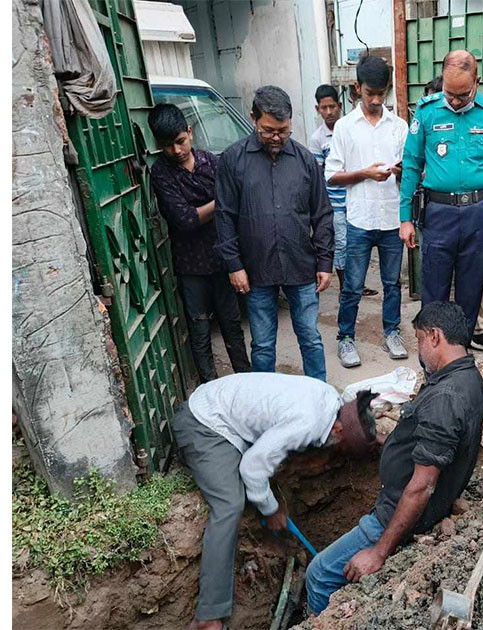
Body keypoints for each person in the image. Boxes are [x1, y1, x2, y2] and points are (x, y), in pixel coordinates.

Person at [305, 302, 483, 616]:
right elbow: (431, 446)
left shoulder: (446, 398)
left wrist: (378, 552)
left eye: (417, 339)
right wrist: (383, 441)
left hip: (394, 517)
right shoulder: (467, 378)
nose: (418, 349)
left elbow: (422, 486)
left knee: (319, 574)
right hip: (410, 504)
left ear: (434, 336)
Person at [171, 372, 378, 630]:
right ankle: (208, 617)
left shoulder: (329, 400)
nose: (338, 450)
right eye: (343, 446)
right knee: (229, 505)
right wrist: (272, 509)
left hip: (226, 415)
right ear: (337, 429)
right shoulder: (307, 423)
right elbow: (252, 469)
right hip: (205, 425)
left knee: (255, 486)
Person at [214, 86, 334, 381]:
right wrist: (234, 266)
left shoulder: (305, 160)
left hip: (301, 265)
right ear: (253, 118)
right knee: (263, 344)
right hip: (255, 270)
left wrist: (325, 263)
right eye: (269, 131)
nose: (277, 137)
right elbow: (224, 216)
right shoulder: (233, 160)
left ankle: (319, 395)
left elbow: (322, 213)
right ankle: (265, 399)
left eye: (284, 130)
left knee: (310, 338)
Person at [398, 50, 483, 348]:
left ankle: (460, 351)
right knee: (434, 287)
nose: (455, 101)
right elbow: (410, 164)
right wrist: (405, 218)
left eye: (462, 95)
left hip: (478, 213)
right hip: (439, 214)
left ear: (477, 82)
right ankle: (432, 351)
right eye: (449, 93)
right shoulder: (426, 111)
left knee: (471, 287)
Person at [147, 103, 252, 382]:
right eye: (167, 146)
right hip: (190, 264)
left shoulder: (212, 163)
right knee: (200, 328)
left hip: (222, 258)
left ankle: (246, 380)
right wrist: (221, 204)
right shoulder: (161, 173)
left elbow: (234, 208)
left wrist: (213, 210)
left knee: (232, 324)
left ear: (190, 132)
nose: (176, 151)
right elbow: (186, 220)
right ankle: (210, 387)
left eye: (180, 141)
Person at [326, 56, 410, 367]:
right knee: (352, 285)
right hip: (359, 219)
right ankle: (345, 338)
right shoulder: (345, 128)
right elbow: (332, 175)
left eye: (382, 93)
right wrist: (365, 173)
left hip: (390, 218)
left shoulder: (399, 126)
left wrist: (401, 172)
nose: (376, 100)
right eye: (370, 93)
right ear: (357, 88)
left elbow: (410, 173)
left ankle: (392, 332)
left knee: (392, 283)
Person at [308, 85, 378, 299]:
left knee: (359, 244)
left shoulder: (352, 127)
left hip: (358, 198)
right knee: (340, 244)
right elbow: (319, 176)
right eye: (323, 108)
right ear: (317, 109)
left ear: (339, 106)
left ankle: (357, 283)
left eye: (332, 107)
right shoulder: (317, 139)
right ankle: (345, 288)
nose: (328, 112)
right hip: (335, 203)